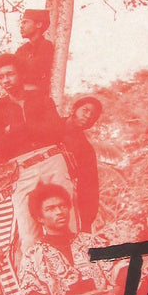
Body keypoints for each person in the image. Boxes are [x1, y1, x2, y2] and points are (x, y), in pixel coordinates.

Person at [16, 183, 123, 295]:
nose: (59, 212)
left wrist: (116, 292)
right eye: (50, 209)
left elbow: (120, 267)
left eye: (62, 206)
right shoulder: (33, 255)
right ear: (39, 218)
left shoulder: (90, 241)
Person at [0, 52, 63, 161]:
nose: (6, 80)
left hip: (51, 159)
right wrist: (37, 126)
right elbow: (0, 148)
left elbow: (57, 132)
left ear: (22, 74)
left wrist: (12, 129)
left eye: (10, 74)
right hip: (22, 166)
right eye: (1, 77)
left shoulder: (43, 100)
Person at [62, 96, 102, 232]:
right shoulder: (51, 126)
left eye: (93, 115)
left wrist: (86, 220)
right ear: (74, 109)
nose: (88, 116)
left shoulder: (86, 150)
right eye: (85, 110)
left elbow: (89, 186)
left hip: (60, 197)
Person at [14, 8, 54, 93]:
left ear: (38, 24)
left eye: (25, 22)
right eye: (21, 23)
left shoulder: (46, 46)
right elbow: (14, 72)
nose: (21, 26)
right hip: (20, 93)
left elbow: (35, 72)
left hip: (37, 95)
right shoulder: (22, 49)